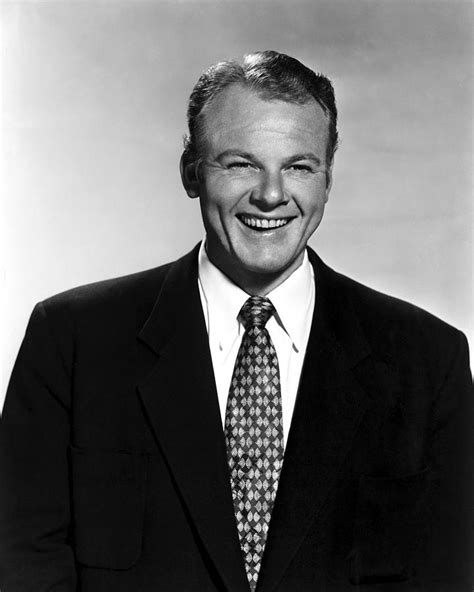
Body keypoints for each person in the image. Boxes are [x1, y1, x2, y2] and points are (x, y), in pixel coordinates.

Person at [0, 50, 472, 592]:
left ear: (327, 179)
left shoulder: (429, 362)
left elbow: (449, 575)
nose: (272, 195)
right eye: (241, 163)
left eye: (298, 166)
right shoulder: (71, 343)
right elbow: (23, 564)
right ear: (191, 172)